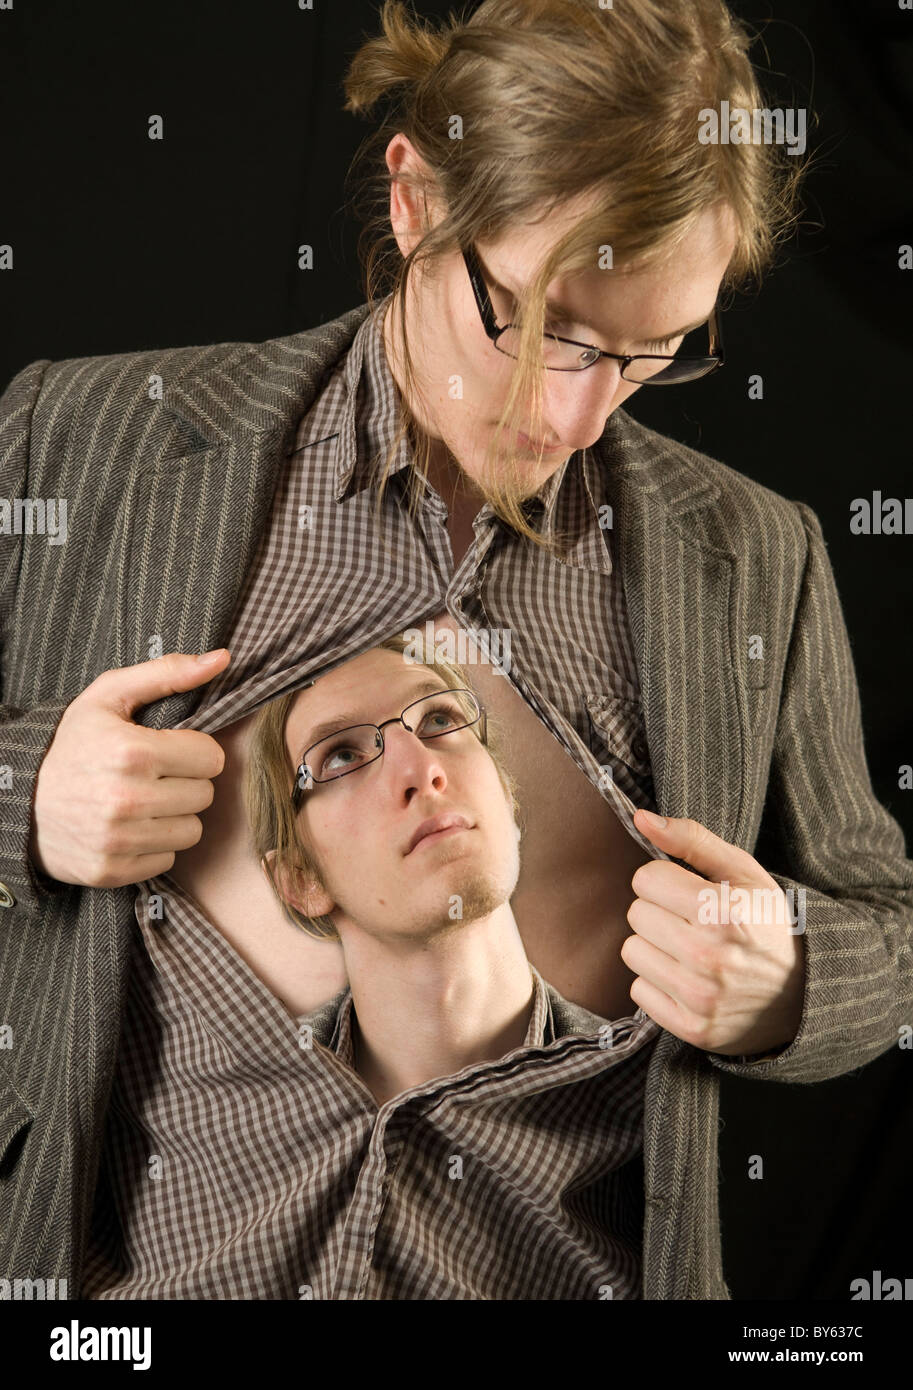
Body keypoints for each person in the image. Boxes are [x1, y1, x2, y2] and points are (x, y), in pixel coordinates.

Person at [0, 0, 910, 1300]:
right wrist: (25, 792)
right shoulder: (80, 442)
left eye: (648, 356)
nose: (575, 414)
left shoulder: (757, 555)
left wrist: (794, 976)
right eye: (537, 330)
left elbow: (891, 920)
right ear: (417, 198)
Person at [82, 637, 660, 1300]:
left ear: (505, 797)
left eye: (439, 720)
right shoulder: (199, 1138)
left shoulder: (647, 1109)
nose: (420, 768)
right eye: (343, 755)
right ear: (299, 879)